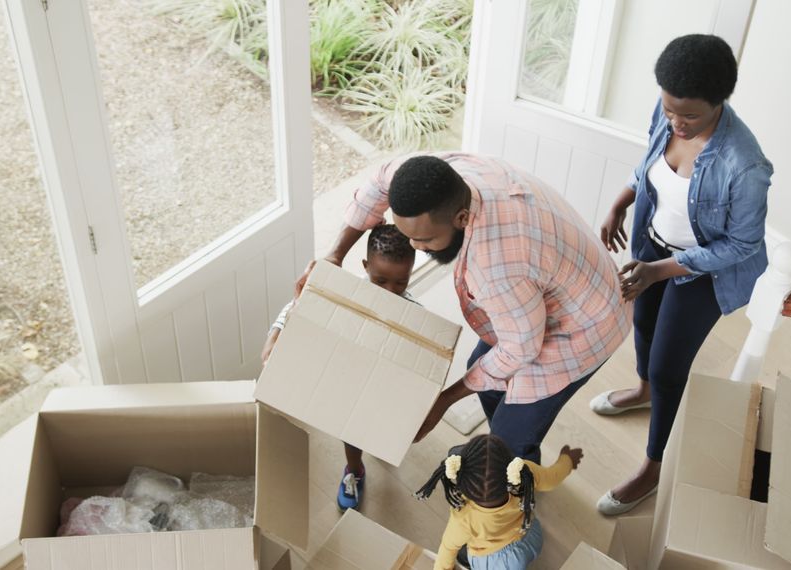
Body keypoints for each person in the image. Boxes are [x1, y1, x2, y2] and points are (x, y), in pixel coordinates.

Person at [297, 153, 631, 465]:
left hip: (588, 325)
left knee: (506, 439)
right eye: (407, 235)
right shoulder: (446, 173)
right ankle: (524, 455)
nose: (415, 246)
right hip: (552, 286)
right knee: (481, 369)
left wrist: (442, 401)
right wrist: (334, 255)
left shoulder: (493, 267)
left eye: (425, 240)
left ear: (461, 218)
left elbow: (521, 348)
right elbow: (380, 183)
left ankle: (518, 483)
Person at [590, 34, 773, 515]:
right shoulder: (669, 110)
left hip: (705, 271)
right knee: (644, 327)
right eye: (669, 110)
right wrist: (620, 202)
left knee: (671, 365)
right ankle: (644, 391)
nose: (676, 122)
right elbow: (649, 161)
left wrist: (660, 271)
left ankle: (653, 465)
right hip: (653, 245)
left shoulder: (744, 165)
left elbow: (741, 245)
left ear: (720, 101)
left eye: (688, 115)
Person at [263, 223, 417, 511]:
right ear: (365, 266)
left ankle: (381, 444)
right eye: (381, 280)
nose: (391, 291)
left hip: (385, 381)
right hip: (349, 376)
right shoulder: (345, 291)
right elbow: (297, 304)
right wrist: (276, 334)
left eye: (401, 283)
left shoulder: (412, 312)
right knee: (353, 427)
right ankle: (355, 469)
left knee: (382, 426)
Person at [415, 434, 584, 570]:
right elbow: (552, 478)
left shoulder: (464, 518)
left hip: (497, 563)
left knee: (462, 552)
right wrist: (567, 460)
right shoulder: (525, 473)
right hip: (531, 535)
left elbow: (448, 548)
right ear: (510, 464)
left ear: (462, 483)